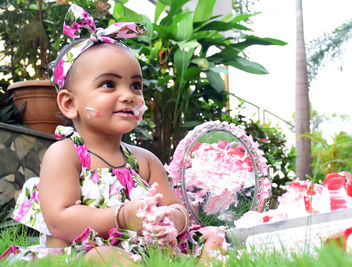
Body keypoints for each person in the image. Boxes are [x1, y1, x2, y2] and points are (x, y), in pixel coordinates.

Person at [0, 4, 224, 265]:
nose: (128, 95)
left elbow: (177, 206)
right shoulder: (66, 155)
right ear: (70, 104)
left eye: (136, 85)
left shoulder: (144, 161)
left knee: (213, 237)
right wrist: (123, 217)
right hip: (85, 250)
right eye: (109, 84)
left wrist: (172, 218)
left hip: (142, 248)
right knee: (104, 257)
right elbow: (61, 221)